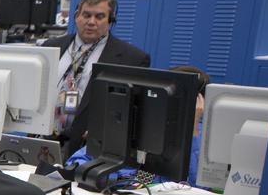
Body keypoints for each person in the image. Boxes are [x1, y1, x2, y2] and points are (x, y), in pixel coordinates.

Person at [42, 0, 151, 157]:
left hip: (87, 147)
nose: (91, 22)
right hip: (44, 138)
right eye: (86, 15)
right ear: (77, 15)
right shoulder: (51, 47)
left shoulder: (132, 59)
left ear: (110, 21)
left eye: (99, 16)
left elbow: (134, 113)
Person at [66, 65, 212, 188]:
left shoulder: (206, 137)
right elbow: (75, 163)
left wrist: (191, 130)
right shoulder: (136, 121)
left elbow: (196, 188)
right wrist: (123, 180)